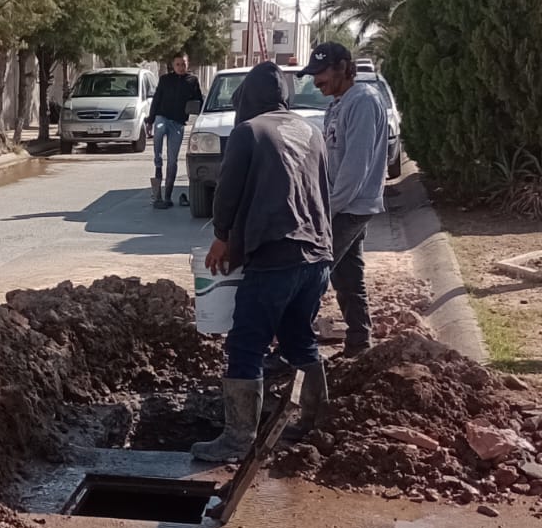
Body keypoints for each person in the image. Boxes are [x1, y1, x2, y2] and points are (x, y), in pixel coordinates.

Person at [191, 61, 333, 463]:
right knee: (299, 339)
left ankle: (237, 440)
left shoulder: (248, 132)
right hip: (318, 256)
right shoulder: (312, 132)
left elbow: (228, 193)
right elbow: (322, 190)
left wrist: (222, 238)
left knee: (246, 344)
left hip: (275, 256)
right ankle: (313, 421)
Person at [303, 41, 389, 355]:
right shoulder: (338, 104)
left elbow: (356, 167)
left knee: (312, 272)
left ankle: (294, 348)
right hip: (343, 206)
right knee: (348, 276)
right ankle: (359, 342)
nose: (316, 81)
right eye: (313, 74)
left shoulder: (363, 102)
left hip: (350, 208)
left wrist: (327, 210)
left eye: (321, 73)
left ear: (342, 68)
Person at [147, 53, 203, 209]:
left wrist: (201, 115)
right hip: (162, 118)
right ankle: (157, 170)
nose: (180, 67)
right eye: (178, 64)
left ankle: (167, 196)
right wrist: (150, 120)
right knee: (158, 133)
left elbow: (199, 100)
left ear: (188, 64)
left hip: (178, 123)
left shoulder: (192, 81)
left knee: (172, 161)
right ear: (173, 65)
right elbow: (157, 99)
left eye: (183, 64)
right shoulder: (165, 80)